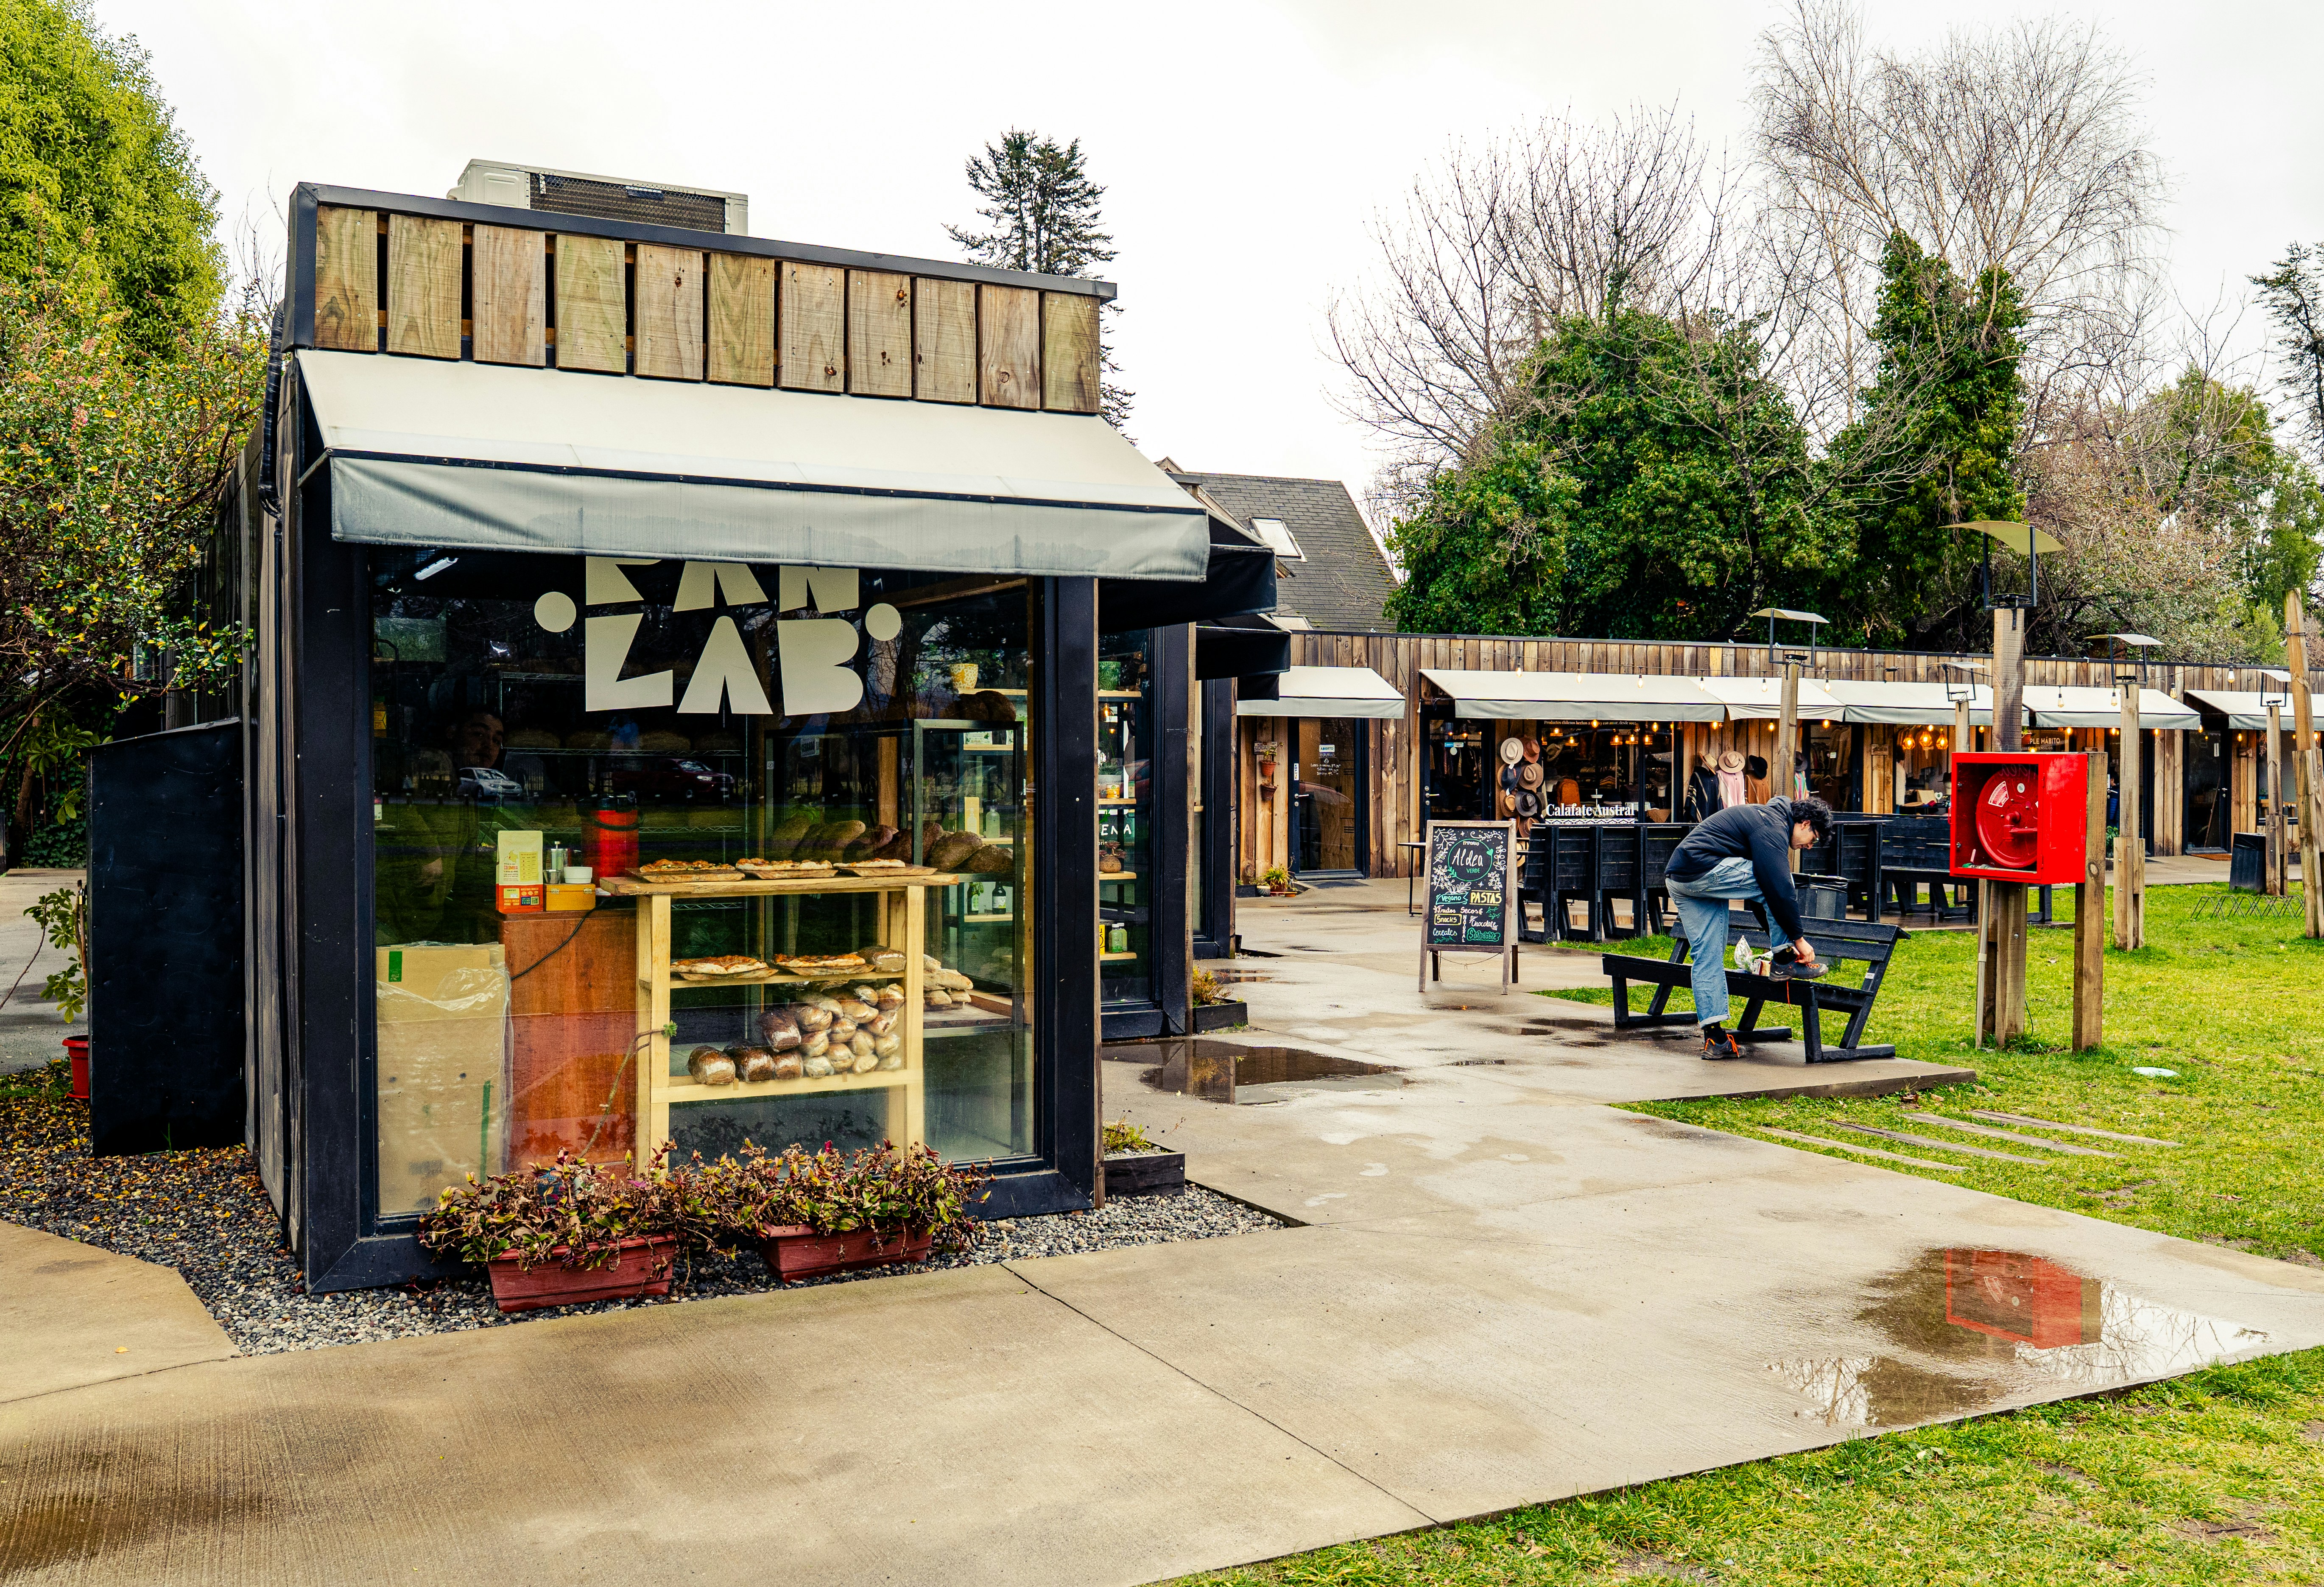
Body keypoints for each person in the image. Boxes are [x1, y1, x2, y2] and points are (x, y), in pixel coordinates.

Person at [1662, 794, 1835, 1060]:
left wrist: (1782, 939)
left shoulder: (1765, 819)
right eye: (1815, 839)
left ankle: (1715, 1040)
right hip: (1703, 869)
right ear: (1805, 823)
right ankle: (1783, 960)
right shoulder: (1772, 826)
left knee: (1706, 956)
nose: (1810, 846)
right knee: (1780, 881)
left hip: (1681, 879)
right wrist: (1797, 942)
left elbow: (1760, 902)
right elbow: (1777, 890)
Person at [1684, 754, 1723, 822]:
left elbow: (1718, 798)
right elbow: (1693, 796)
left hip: (1712, 811)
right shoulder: (1697, 775)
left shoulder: (1715, 777)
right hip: (1701, 805)